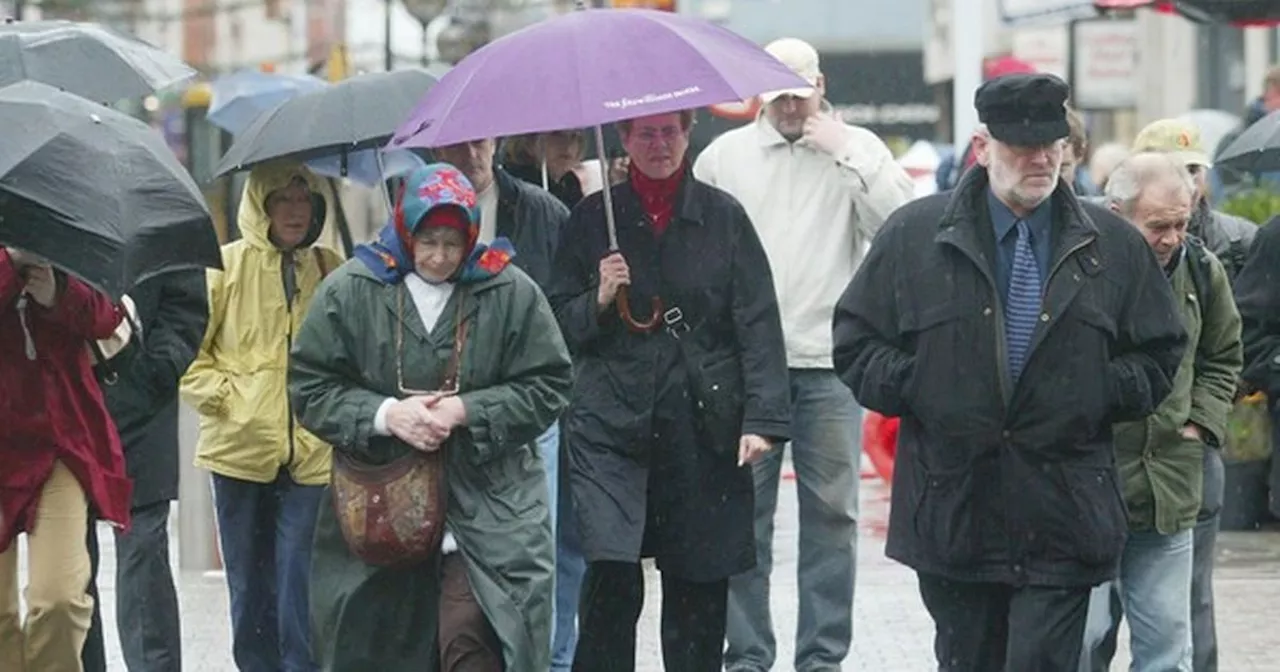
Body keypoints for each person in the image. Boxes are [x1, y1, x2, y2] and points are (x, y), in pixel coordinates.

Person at [832, 73, 1187, 670]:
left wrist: (1098, 391)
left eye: (1052, 146)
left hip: (1063, 506)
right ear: (982, 148)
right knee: (968, 659)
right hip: (955, 506)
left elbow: (1160, 353)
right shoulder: (916, 237)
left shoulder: (1114, 247)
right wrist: (924, 386)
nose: (1041, 160)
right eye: (1023, 147)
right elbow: (855, 342)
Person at [288, 162, 573, 671]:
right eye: (427, 241)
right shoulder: (354, 289)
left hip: (490, 503)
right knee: (385, 647)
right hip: (382, 502)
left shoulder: (509, 290)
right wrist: (385, 415)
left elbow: (549, 383)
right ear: (405, 230)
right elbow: (310, 387)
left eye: (452, 242)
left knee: (475, 640)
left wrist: (470, 410)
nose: (439, 257)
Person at [692, 36, 913, 672]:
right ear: (761, 93)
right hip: (745, 366)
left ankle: (821, 657)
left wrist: (851, 152)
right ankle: (748, 656)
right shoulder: (725, 158)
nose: (792, 105)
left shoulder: (853, 149)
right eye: (780, 93)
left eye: (802, 91)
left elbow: (901, 227)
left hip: (829, 363)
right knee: (744, 519)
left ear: (821, 86)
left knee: (835, 518)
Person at [548, 109, 791, 672]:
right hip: (611, 428)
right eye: (646, 133)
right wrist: (600, 299)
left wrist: (763, 417)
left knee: (697, 582)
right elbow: (558, 324)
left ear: (688, 134)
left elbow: (756, 320)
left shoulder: (723, 218)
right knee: (611, 575)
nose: (659, 144)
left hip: (702, 423)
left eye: (670, 132)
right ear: (626, 139)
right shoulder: (591, 221)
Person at [1085, 118, 1257, 672]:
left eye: (1181, 224)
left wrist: (1200, 423)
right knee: (1082, 641)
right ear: (1118, 215)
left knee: (1168, 646)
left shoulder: (1202, 269)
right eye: (1158, 226)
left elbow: (1223, 354)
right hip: (1090, 484)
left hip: (1170, 485)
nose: (1172, 238)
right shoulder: (1077, 270)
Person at [180, 161, 344, 672]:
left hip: (312, 454)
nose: (296, 211)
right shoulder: (222, 268)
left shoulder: (332, 267)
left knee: (301, 580)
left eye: (305, 200)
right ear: (261, 206)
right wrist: (232, 401)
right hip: (239, 451)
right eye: (283, 200)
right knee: (248, 585)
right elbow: (186, 354)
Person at [0, 247, 131, 671]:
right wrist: (9, 266)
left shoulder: (64, 225)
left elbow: (108, 316)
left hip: (60, 442)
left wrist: (58, 292)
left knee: (59, 599)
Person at [82, 270, 208, 672]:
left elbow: (185, 304)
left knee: (143, 552)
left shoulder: (158, 215)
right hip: (68, 402)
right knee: (72, 569)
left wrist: (159, 368)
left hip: (144, 403)